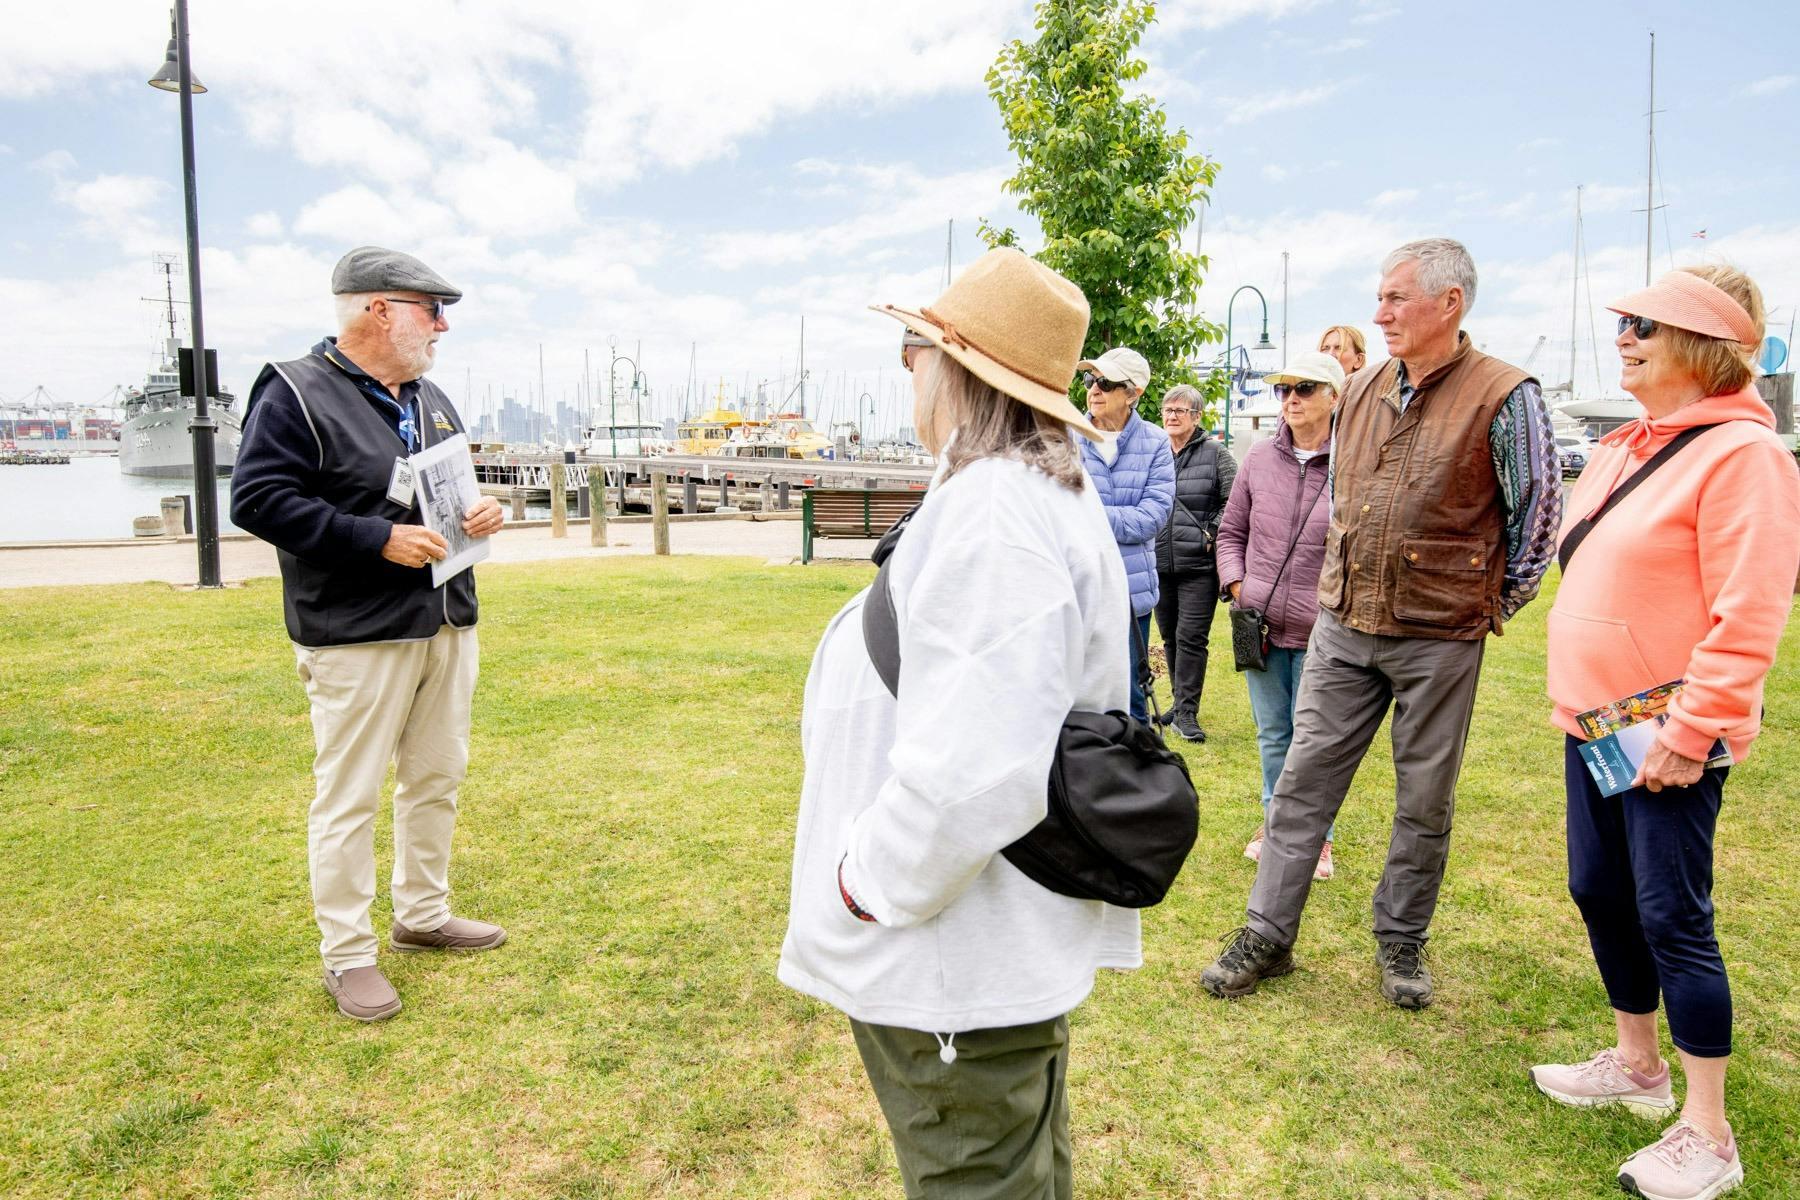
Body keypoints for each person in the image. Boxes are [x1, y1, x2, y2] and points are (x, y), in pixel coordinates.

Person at [778, 247, 1137, 1198]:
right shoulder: (1011, 494)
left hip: (952, 952)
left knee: (979, 1176)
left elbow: (975, 770)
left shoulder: (998, 512)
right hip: (968, 941)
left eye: (916, 348)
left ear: (958, 365)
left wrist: (869, 884)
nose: (909, 367)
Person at [1200, 237, 1561, 1009]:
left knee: (1423, 799)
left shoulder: (1505, 393)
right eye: (1381, 296)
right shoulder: (1361, 387)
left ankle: (1401, 941)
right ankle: (1267, 934)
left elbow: (1539, 518)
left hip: (1440, 636)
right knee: (1300, 787)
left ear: (1450, 302)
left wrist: (1490, 604)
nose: (1380, 311)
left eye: (1397, 297)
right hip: (1344, 625)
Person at [1529, 265, 1799, 1200]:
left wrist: (1698, 727)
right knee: (1597, 890)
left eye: (1645, 324)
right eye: (1623, 322)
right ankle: (1639, 1067)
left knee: (1672, 916)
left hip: (1669, 734)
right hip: (1595, 724)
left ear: (1702, 344)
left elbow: (1751, 611)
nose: (1624, 336)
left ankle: (1709, 1128)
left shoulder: (1746, 458)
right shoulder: (1623, 446)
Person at [231, 246, 507, 1023]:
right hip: (355, 633)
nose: (443, 325)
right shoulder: (294, 390)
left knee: (437, 777)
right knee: (348, 797)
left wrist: (481, 513)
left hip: (444, 621)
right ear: (377, 309)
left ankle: (422, 916)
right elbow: (257, 500)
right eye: (431, 308)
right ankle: (348, 955)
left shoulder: (429, 396)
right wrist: (371, 539)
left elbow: (448, 489)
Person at [1215, 351, 1341, 882]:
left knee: (1316, 741)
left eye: (1305, 388)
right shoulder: (1258, 459)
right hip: (1260, 624)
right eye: (1283, 389)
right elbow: (1230, 533)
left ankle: (1320, 842)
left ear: (1335, 396)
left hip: (1325, 631)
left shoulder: (1354, 463)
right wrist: (1239, 585)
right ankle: (1275, 825)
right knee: (1272, 734)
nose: (1290, 399)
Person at [1075, 346, 1175, 724]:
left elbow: (1152, 518)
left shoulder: (1156, 442)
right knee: (1080, 695)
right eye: (1089, 380)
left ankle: (1132, 776)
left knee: (1133, 697)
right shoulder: (1067, 435)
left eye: (1106, 382)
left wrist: (1087, 514)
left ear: (1133, 393)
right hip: (1079, 587)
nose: (1094, 389)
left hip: (1132, 596)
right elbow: (1055, 510)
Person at [1152, 384, 1235, 742]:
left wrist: (1211, 533)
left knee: (1191, 639)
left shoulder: (1216, 454)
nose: (1171, 416)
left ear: (1197, 417)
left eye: (1180, 411)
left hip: (1198, 566)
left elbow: (1234, 501)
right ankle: (1177, 702)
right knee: (1169, 637)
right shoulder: (1156, 452)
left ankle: (1187, 713)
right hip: (1160, 562)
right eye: (1167, 410)